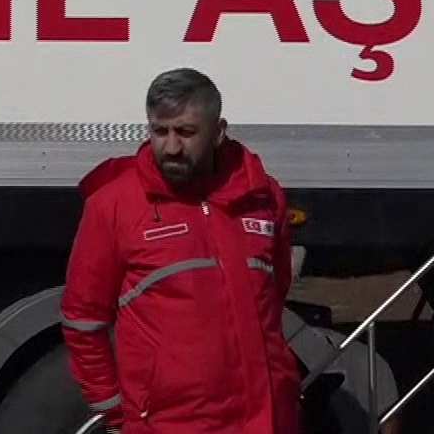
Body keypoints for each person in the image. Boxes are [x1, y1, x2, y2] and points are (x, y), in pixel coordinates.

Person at [60, 68, 301, 434]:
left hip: (265, 419)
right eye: (160, 131)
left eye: (186, 133)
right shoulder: (113, 206)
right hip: (168, 424)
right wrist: (113, 410)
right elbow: (83, 320)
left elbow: (274, 293)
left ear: (218, 132)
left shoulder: (263, 197)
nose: (171, 147)